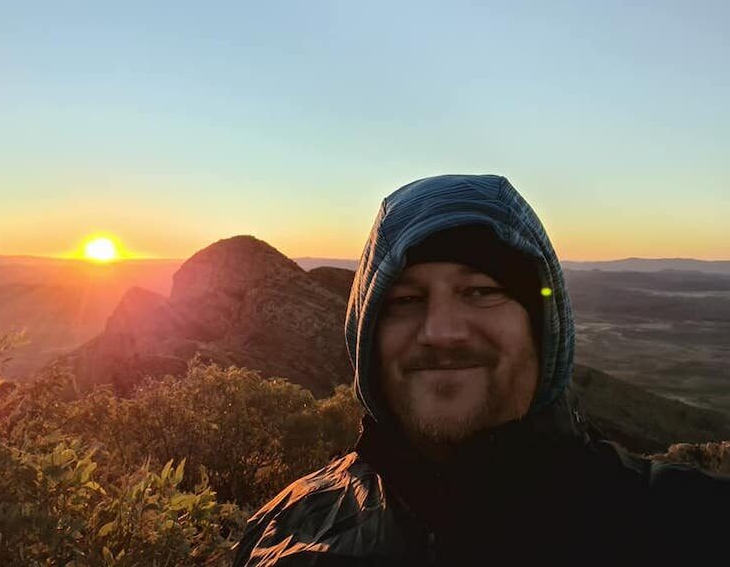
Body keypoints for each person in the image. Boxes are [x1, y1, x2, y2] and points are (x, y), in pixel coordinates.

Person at [233, 174, 729, 567]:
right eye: (405, 300)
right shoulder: (285, 530)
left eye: (481, 291)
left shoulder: (690, 528)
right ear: (366, 341)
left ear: (542, 328)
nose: (442, 331)